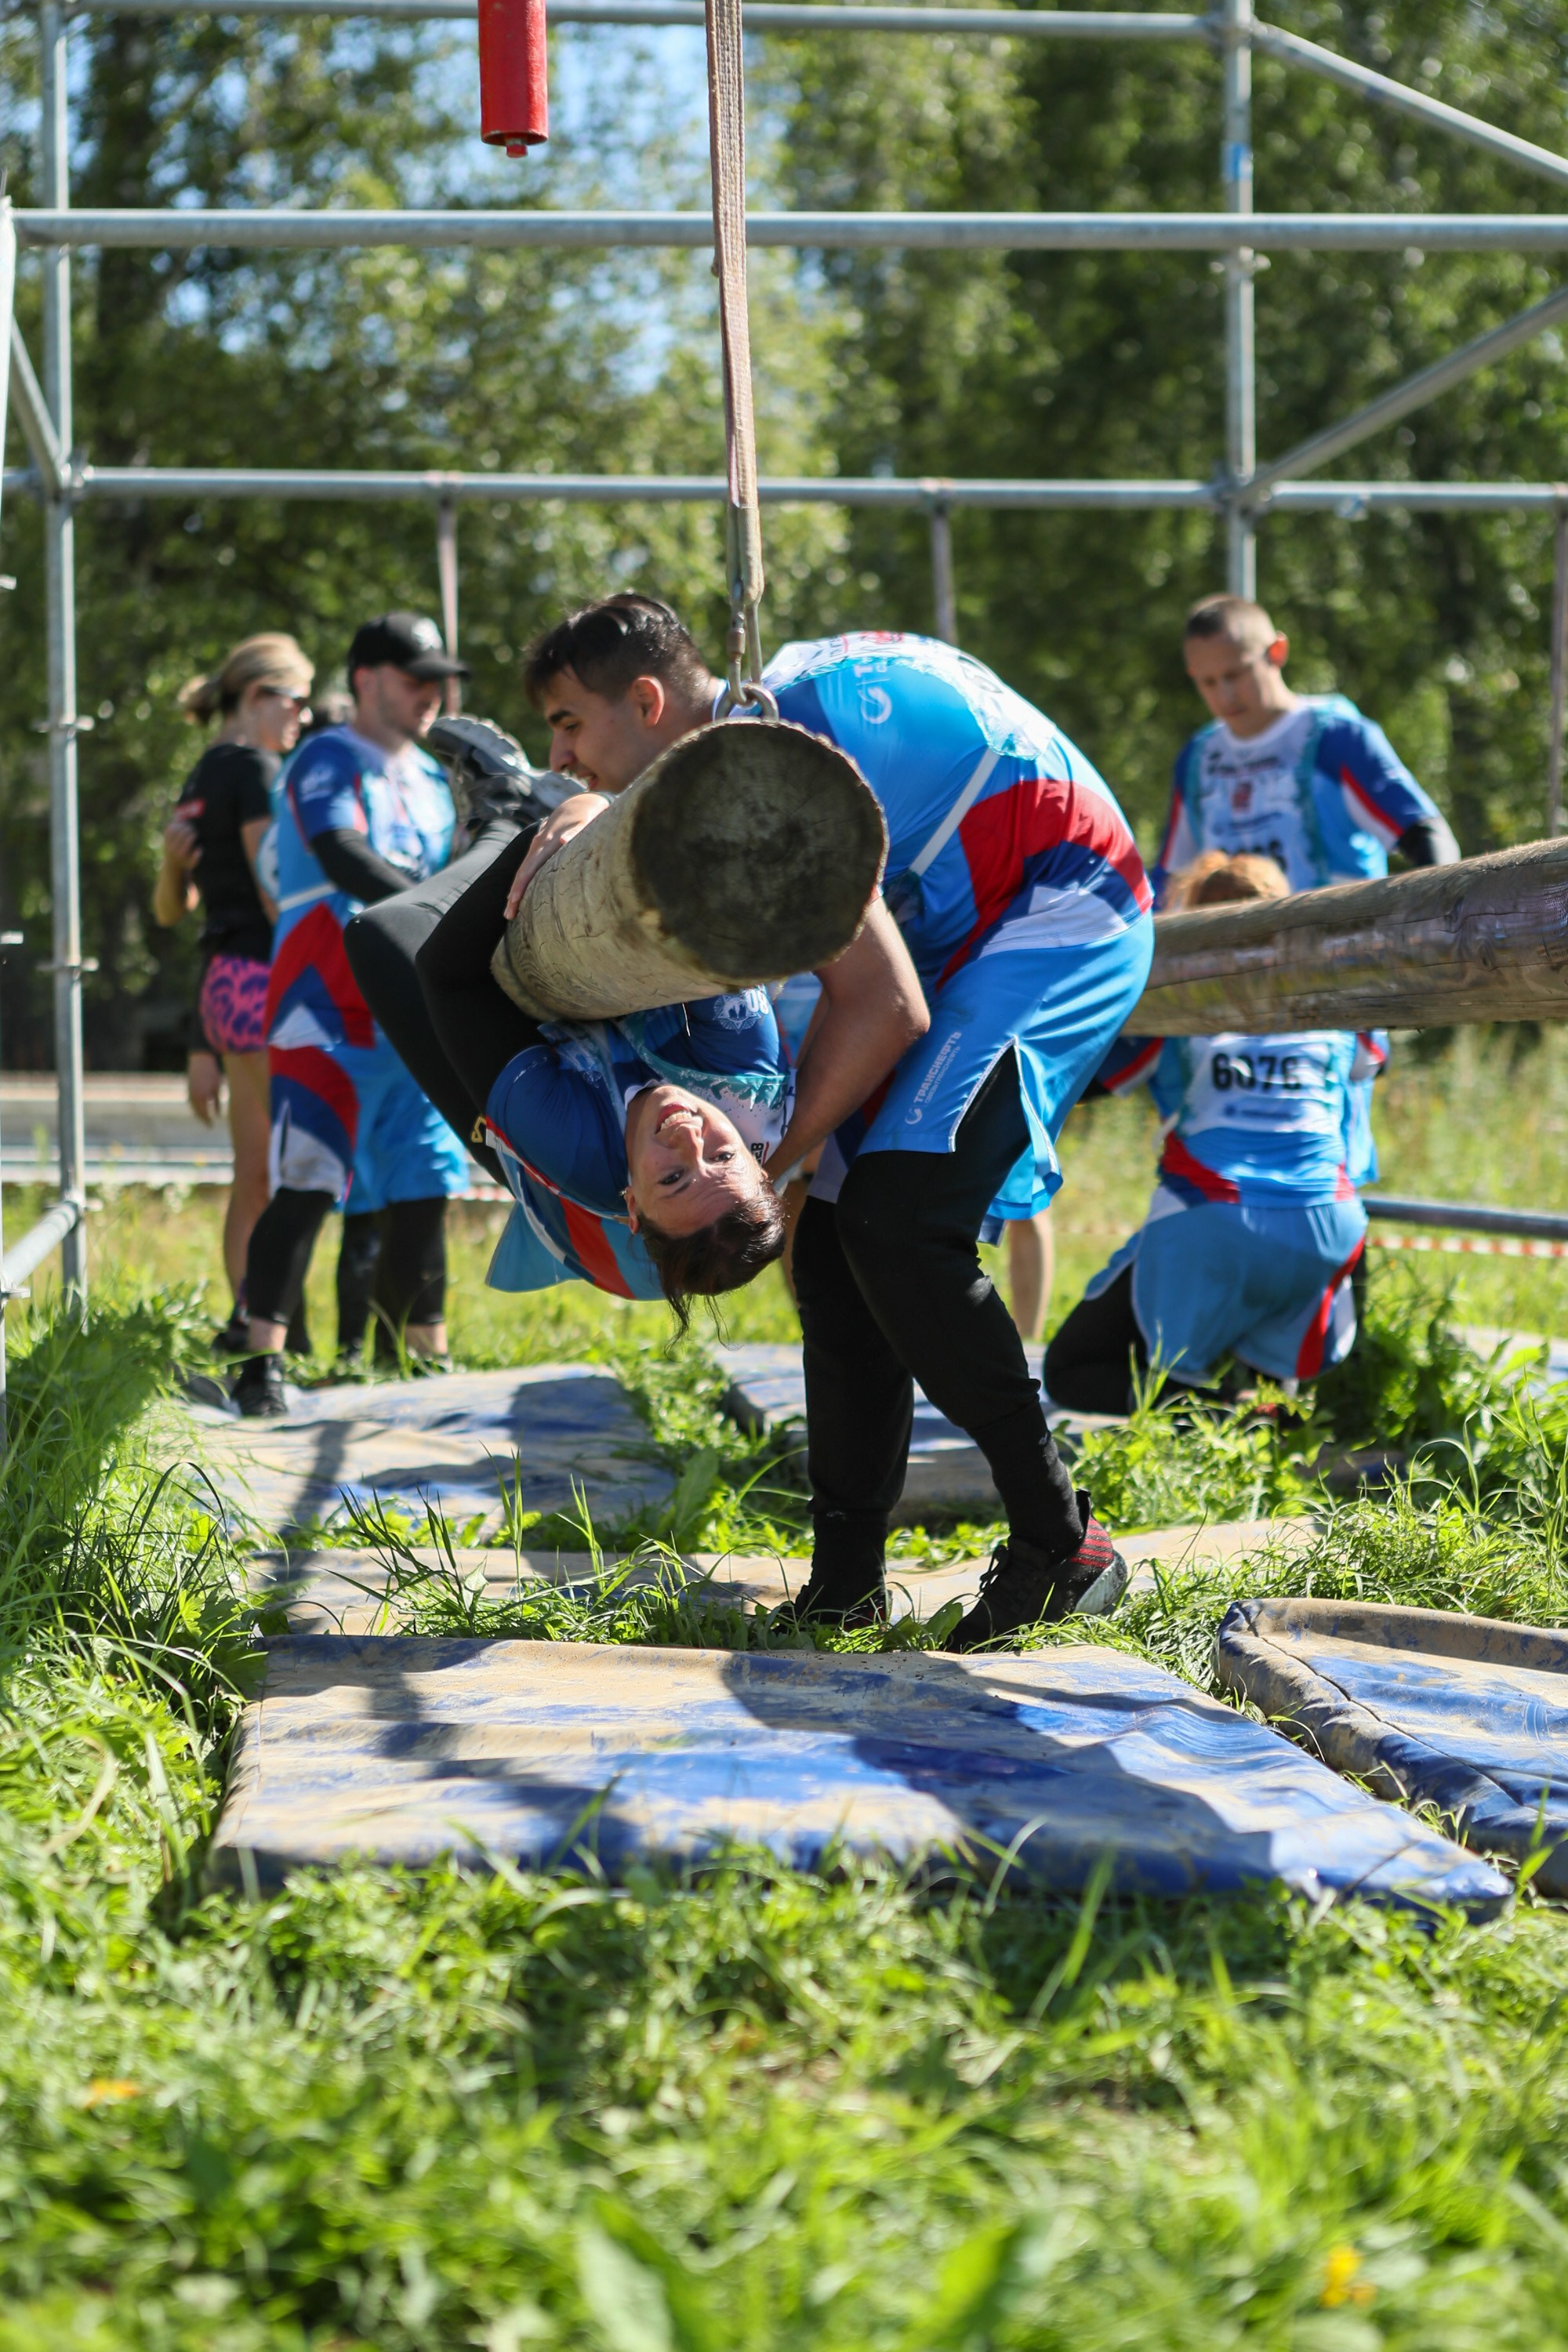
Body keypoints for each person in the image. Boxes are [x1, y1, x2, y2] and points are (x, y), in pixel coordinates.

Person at [502, 599, 1154, 1650]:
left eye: (570, 724)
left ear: (648, 701)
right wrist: (567, 817)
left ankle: (1061, 1547)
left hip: (1058, 907)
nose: (561, 753)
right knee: (844, 1253)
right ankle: (845, 1584)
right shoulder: (750, 735)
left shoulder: (761, 776)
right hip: (968, 930)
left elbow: (887, 1006)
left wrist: (773, 1159)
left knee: (898, 1223)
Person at [342, 717, 919, 1318]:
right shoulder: (742, 1075)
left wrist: (535, 838)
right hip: (621, 1068)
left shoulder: (575, 1153)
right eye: (722, 1157)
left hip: (569, 1202)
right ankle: (525, 813)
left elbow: (452, 980)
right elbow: (689, 900)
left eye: (672, 1178)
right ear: (755, 1158)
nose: (687, 1137)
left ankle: (504, 810)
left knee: (384, 937)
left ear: (634, 1204)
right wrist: (591, 817)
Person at [233, 612, 471, 1418]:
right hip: (323, 1007)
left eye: (441, 679)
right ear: (366, 679)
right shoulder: (325, 756)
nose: (434, 695)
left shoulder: (437, 779)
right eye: (416, 678)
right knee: (305, 1181)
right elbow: (340, 852)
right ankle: (259, 1359)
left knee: (425, 1187)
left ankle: (423, 1360)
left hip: (410, 1012)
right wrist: (440, 906)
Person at [1044, 852, 1374, 1416]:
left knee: (1071, 1372)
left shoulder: (1178, 1001)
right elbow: (1370, 1066)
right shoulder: (1334, 1002)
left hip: (1213, 1217)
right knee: (1271, 1365)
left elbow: (1081, 1075)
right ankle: (1265, 1421)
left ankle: (1207, 1417)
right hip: (1329, 1224)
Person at [152, 631, 314, 1352]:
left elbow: (172, 909)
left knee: (255, 1175)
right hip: (266, 981)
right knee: (286, 1176)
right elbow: (274, 888)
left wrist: (199, 1039)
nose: (303, 719)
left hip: (224, 988)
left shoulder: (199, 776)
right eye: (296, 701)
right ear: (256, 697)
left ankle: (249, 1319)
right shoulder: (253, 768)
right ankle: (271, 1334)